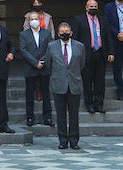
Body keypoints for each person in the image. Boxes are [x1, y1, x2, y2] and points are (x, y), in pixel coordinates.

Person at [45, 22, 85, 150]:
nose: (64, 33)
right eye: (62, 32)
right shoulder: (52, 46)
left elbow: (82, 64)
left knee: (74, 114)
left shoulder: (80, 46)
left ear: (71, 33)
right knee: (60, 114)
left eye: (67, 31)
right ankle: (62, 140)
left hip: (74, 83)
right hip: (59, 83)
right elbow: (48, 64)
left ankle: (74, 140)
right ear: (58, 34)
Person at [71, 0, 114, 113]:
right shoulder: (79, 20)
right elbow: (75, 39)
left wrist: (111, 52)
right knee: (87, 81)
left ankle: (99, 104)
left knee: (100, 81)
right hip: (86, 55)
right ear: (86, 7)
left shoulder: (103, 20)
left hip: (100, 54)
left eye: (95, 7)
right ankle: (89, 104)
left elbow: (108, 37)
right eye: (91, 7)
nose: (93, 9)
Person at [20, 11, 53, 127]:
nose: (34, 20)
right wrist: (35, 63)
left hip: (44, 67)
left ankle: (47, 117)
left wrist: (42, 62)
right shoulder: (23, 34)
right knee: (29, 93)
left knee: (46, 93)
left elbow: (50, 48)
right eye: (31, 19)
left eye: (36, 18)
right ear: (28, 21)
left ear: (40, 20)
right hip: (31, 67)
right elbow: (23, 51)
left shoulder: (47, 33)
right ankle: (30, 117)